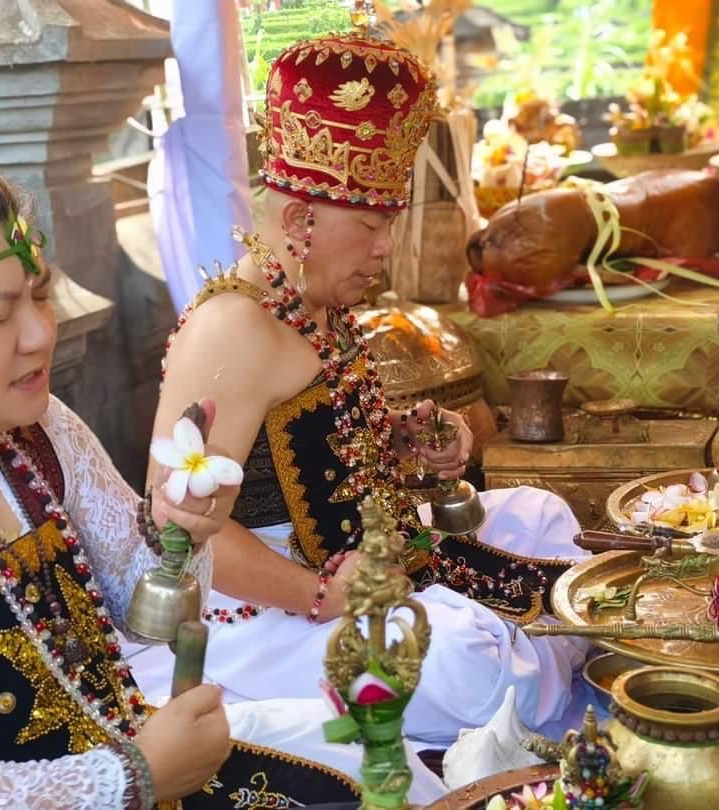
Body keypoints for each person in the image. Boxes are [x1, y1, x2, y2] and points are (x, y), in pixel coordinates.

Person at [0, 121, 444, 808]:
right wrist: (128, 777)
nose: (41, 332)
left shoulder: (38, 431)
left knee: (380, 770)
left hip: (122, 753)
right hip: (115, 776)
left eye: (40, 293)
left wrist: (182, 534)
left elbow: (145, 615)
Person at [143, 24, 594, 745]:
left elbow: (332, 452)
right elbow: (178, 533)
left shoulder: (318, 306)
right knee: (467, 662)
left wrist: (411, 444)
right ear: (298, 219)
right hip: (265, 608)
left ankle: (538, 665)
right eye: (370, 227)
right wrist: (319, 594)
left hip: (368, 552)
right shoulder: (234, 327)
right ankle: (535, 675)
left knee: (541, 513)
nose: (385, 251)